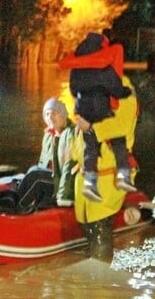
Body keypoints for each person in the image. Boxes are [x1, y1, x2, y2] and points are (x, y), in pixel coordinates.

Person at [59, 32, 136, 202]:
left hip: (83, 109)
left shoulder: (77, 69)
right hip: (100, 108)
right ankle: (123, 176)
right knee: (118, 141)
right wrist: (126, 92)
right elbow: (115, 89)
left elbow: (72, 90)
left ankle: (89, 183)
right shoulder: (106, 68)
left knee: (90, 147)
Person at [72, 71, 139, 260]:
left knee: (100, 229)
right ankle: (91, 282)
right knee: (90, 229)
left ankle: (99, 283)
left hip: (107, 175)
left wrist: (91, 127)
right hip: (87, 175)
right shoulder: (89, 87)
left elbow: (122, 125)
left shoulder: (123, 88)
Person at [16, 98, 77, 212]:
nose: (50, 118)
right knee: (33, 171)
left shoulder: (71, 134)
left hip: (64, 182)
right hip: (50, 177)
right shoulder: (49, 135)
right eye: (47, 114)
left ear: (63, 115)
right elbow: (42, 163)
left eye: (54, 113)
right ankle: (13, 201)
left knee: (36, 175)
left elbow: (69, 166)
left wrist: (64, 195)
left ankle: (17, 209)